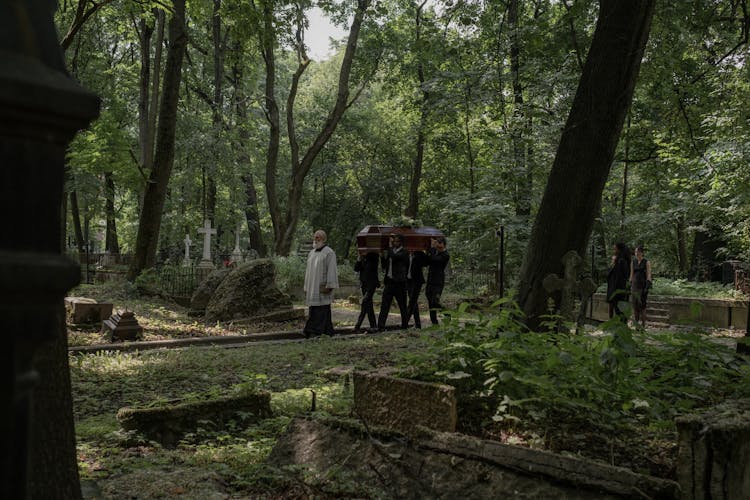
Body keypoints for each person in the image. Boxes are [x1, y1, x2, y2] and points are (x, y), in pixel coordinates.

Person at [303, 229, 339, 337]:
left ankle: (316, 331)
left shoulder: (329, 252)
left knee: (322, 309)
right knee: (314, 310)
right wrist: (306, 286)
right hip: (312, 286)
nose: (315, 239)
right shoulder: (311, 253)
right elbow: (308, 271)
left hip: (322, 286)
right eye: (315, 237)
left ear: (323, 239)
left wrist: (330, 284)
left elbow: (332, 269)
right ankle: (326, 330)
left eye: (318, 237)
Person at [377, 233, 409, 330]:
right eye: (394, 241)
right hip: (390, 282)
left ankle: (404, 326)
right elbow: (385, 266)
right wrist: (382, 256)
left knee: (402, 305)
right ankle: (380, 326)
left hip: (400, 283)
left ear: (401, 242)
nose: (395, 243)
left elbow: (394, 257)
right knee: (384, 305)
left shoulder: (404, 252)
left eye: (397, 241)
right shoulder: (392, 252)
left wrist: (389, 246)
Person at [425, 236, 450, 325]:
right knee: (430, 301)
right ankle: (434, 322)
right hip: (430, 280)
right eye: (437, 245)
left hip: (438, 282)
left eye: (440, 245)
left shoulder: (445, 255)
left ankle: (447, 314)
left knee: (434, 301)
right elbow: (427, 261)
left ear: (444, 245)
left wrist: (432, 248)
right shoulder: (434, 252)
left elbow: (435, 260)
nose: (438, 247)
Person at [353, 251, 380, 332]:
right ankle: (373, 326)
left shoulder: (374, 255)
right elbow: (356, 269)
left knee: (365, 302)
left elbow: (372, 267)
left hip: (372, 284)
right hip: (364, 284)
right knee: (368, 305)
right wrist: (359, 259)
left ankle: (358, 325)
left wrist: (366, 255)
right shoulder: (362, 258)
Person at [606, 242, 631, 323]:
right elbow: (609, 275)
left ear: (619, 250)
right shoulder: (617, 262)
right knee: (616, 310)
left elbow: (623, 277)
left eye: (615, 248)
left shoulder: (622, 262)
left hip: (618, 291)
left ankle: (621, 328)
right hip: (614, 290)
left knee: (620, 311)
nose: (614, 250)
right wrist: (612, 264)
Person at [630, 245, 652, 328]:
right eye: (635, 252)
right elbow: (631, 275)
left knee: (642, 306)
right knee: (635, 306)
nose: (636, 253)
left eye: (638, 252)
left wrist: (647, 285)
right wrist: (630, 285)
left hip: (642, 286)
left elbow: (649, 274)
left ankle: (643, 325)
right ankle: (636, 325)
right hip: (634, 286)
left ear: (642, 253)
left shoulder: (647, 262)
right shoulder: (633, 262)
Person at [406, 249, 427, 328]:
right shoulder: (405, 253)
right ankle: (418, 324)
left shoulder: (419, 253)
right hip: (408, 280)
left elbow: (425, 263)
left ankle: (405, 322)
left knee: (412, 301)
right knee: (413, 301)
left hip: (417, 281)